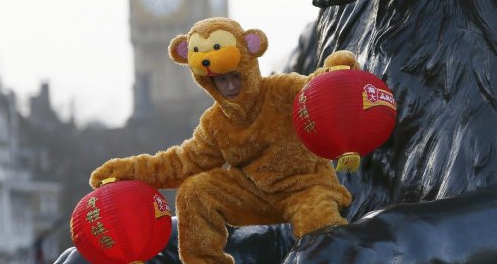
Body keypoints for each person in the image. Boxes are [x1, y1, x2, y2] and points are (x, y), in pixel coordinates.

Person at [88, 17, 354, 264]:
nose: (229, 87)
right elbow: (182, 162)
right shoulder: (215, 122)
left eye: (234, 77)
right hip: (256, 195)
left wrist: (334, 73)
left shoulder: (280, 90)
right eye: (220, 81)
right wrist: (127, 171)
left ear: (248, 65)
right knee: (195, 190)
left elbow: (314, 91)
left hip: (305, 188)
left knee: (321, 230)